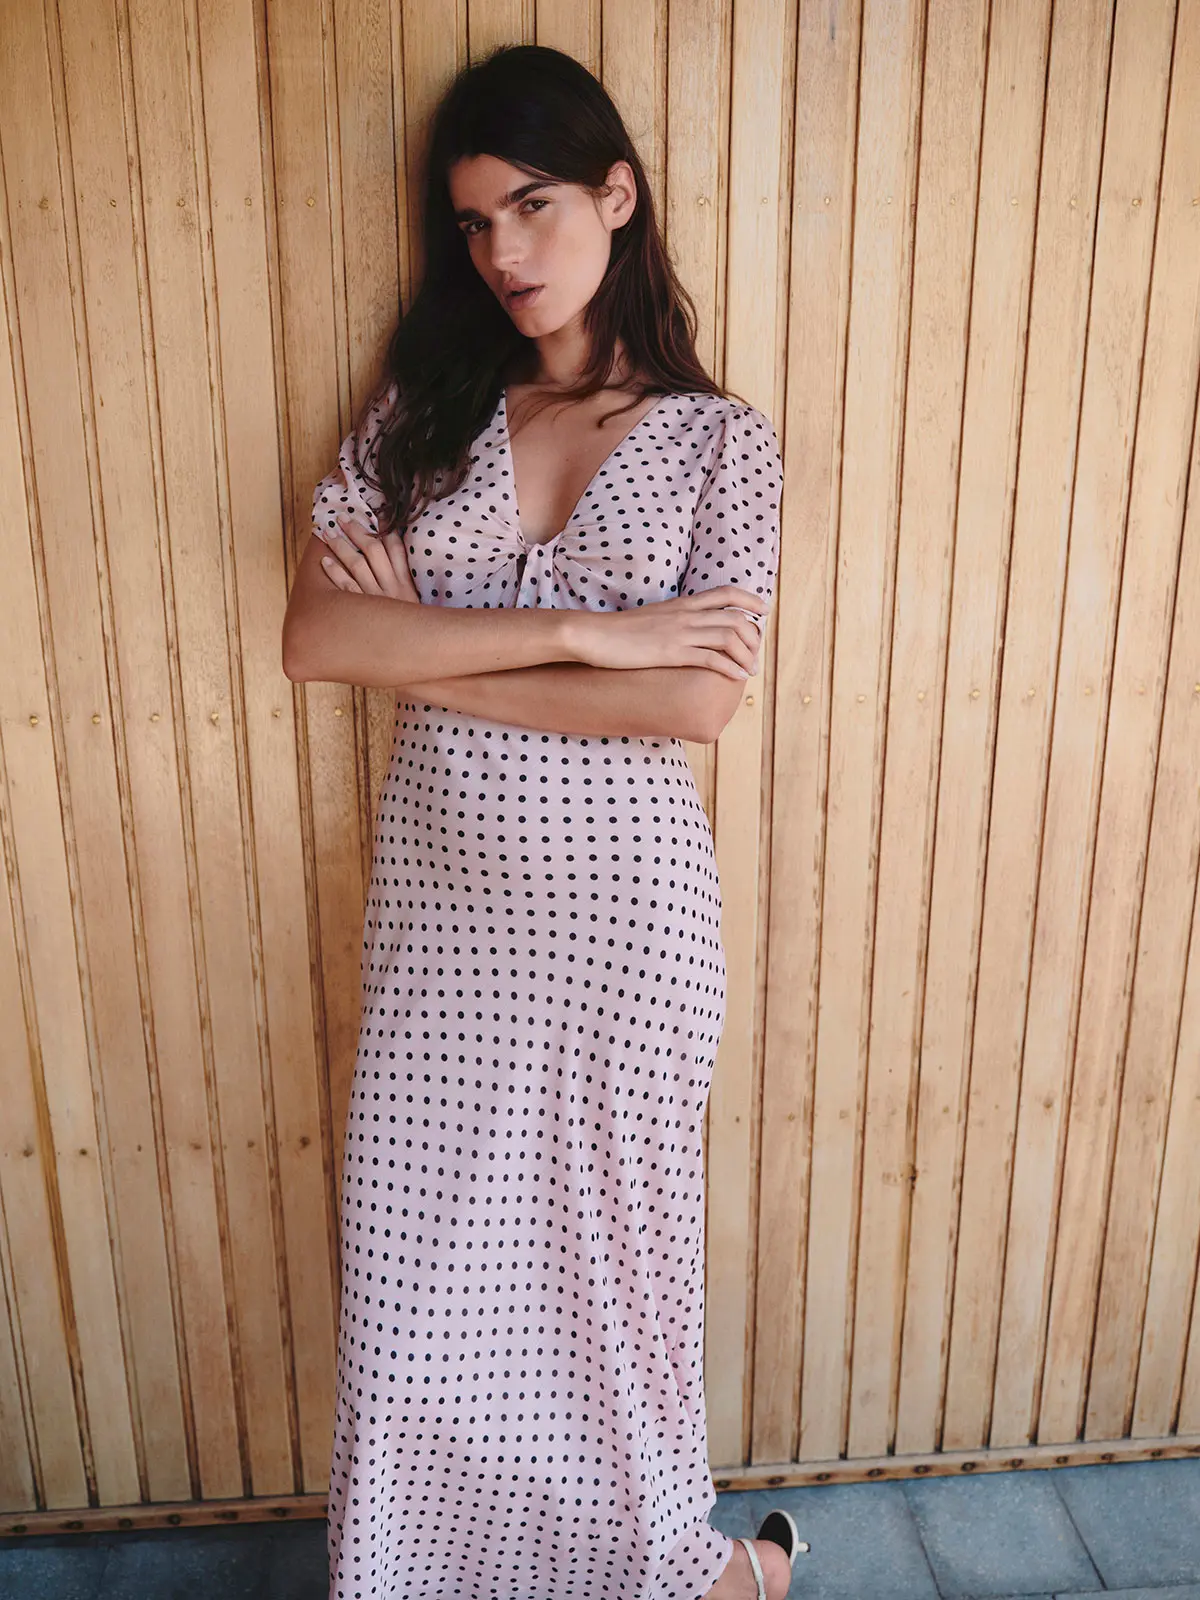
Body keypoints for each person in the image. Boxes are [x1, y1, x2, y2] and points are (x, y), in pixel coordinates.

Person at [282, 41, 806, 1600]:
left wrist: (430, 655)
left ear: (617, 196)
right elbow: (317, 638)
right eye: (472, 223)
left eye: (531, 205)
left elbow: (695, 705)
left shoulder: (723, 441)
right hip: (445, 930)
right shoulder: (425, 411)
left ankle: (692, 1576)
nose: (502, 251)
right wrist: (591, 635)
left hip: (628, 932)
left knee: (609, 1299)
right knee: (417, 1300)